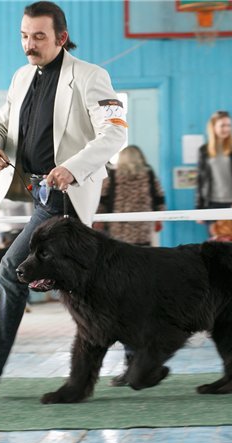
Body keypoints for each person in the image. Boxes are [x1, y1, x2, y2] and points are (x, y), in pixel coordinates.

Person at [0, 1, 127, 394]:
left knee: (12, 272)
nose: (29, 44)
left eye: (39, 37)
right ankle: (137, 355)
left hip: (66, 196)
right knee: (92, 286)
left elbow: (114, 134)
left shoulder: (91, 76)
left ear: (62, 38)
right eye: (25, 36)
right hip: (38, 195)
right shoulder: (20, 78)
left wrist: (73, 167)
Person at [97, 145, 165, 387]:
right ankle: (146, 361)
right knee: (145, 305)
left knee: (123, 307)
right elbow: (160, 201)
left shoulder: (112, 176)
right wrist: (157, 219)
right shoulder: (148, 174)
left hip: (119, 248)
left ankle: (132, 363)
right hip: (143, 247)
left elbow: (101, 204)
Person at [98, 145, 166, 246]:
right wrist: (160, 219)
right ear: (140, 157)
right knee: (142, 254)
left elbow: (102, 200)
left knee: (119, 255)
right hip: (143, 224)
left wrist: (99, 219)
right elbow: (159, 198)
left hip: (118, 226)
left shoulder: (112, 176)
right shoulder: (149, 174)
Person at [195, 111, 232, 218]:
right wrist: (199, 208)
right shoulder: (203, 150)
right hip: (211, 204)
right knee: (216, 235)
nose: (226, 129)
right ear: (213, 126)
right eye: (222, 125)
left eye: (229, 125)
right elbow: (200, 180)